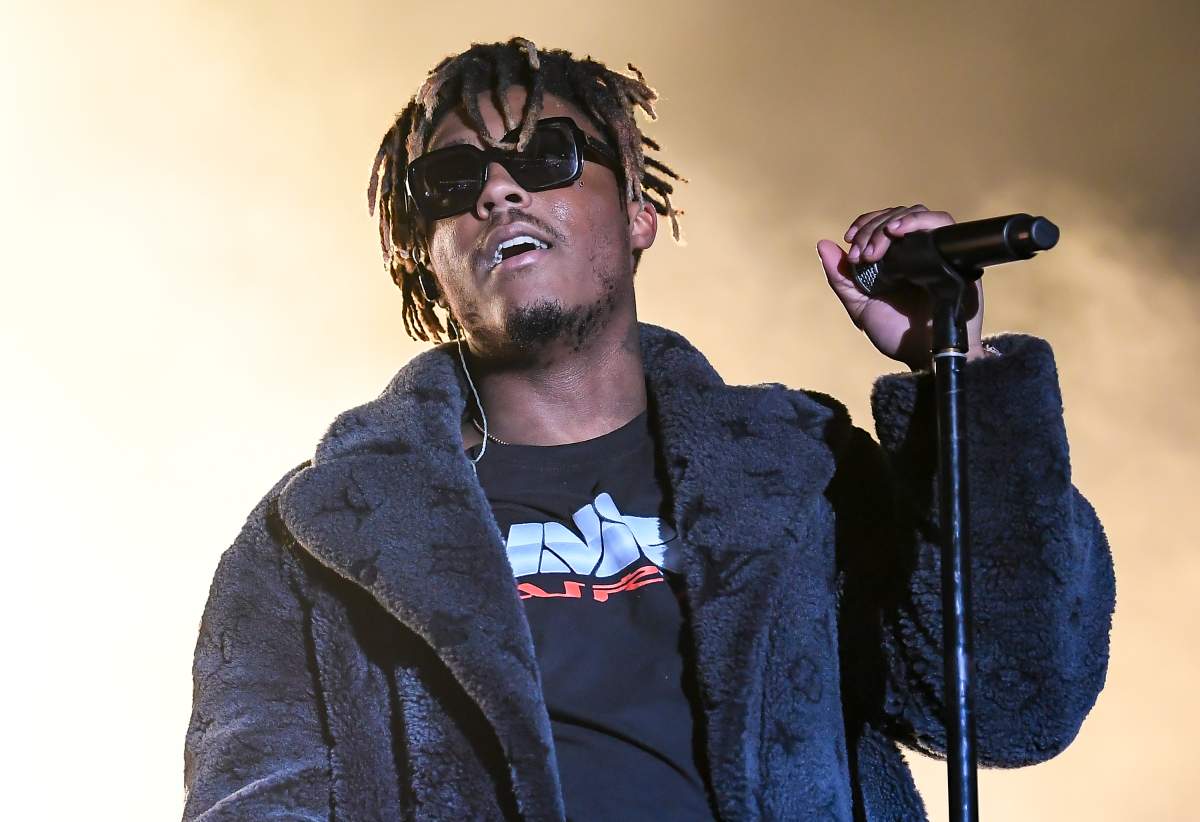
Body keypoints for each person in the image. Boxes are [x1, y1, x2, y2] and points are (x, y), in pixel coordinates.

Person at [182, 37, 1115, 821]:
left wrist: (956, 376)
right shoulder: (321, 537)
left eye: (548, 156)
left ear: (640, 215)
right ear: (423, 261)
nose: (499, 192)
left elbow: (1015, 703)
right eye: (453, 178)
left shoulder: (800, 473)